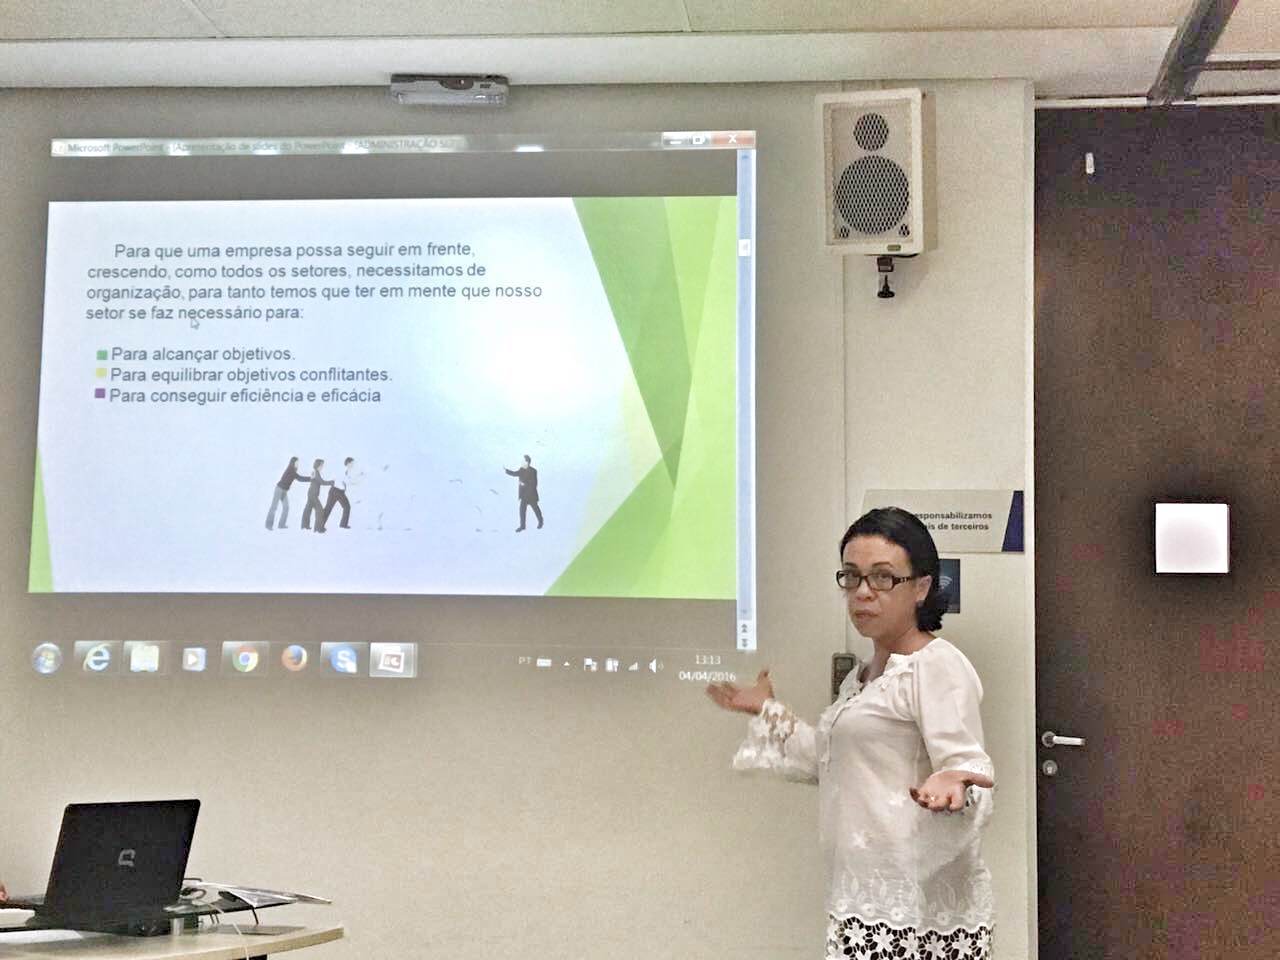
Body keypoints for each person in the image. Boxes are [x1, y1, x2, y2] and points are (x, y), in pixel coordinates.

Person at [706, 506, 996, 960]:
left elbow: (969, 768)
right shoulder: (863, 676)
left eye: (883, 577)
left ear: (921, 587)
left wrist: (954, 782)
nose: (862, 592)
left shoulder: (935, 666)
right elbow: (830, 760)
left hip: (915, 910)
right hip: (864, 895)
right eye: (852, 576)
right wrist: (767, 710)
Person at [265, 456, 309, 530]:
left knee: (286, 507)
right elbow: (300, 478)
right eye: (297, 463)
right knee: (274, 506)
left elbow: (299, 478)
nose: (298, 464)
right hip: (279, 489)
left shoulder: (293, 471)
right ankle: (268, 525)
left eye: (298, 463)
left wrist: (311, 478)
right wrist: (311, 478)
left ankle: (281, 525)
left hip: (284, 491)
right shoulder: (291, 470)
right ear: (293, 463)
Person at [504, 454, 543, 532]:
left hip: (531, 495)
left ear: (527, 462)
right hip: (524, 496)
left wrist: (523, 484)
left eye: (523, 461)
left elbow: (534, 484)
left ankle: (540, 521)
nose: (522, 463)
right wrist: (507, 471)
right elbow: (515, 473)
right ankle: (522, 526)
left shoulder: (533, 471)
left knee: (536, 509)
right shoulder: (521, 470)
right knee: (522, 511)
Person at [322, 457, 361, 530]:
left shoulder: (346, 471)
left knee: (329, 508)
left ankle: (320, 525)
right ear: (348, 463)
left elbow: (347, 481)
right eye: (352, 463)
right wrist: (356, 480)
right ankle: (342, 524)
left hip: (336, 491)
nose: (353, 465)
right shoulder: (343, 470)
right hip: (337, 491)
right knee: (346, 507)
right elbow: (347, 481)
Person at [301, 458, 333, 532]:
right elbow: (322, 482)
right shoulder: (316, 473)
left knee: (308, 509)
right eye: (322, 465)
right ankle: (318, 529)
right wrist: (332, 482)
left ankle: (305, 526)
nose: (322, 466)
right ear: (318, 465)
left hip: (311, 493)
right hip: (313, 494)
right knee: (320, 510)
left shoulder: (314, 472)